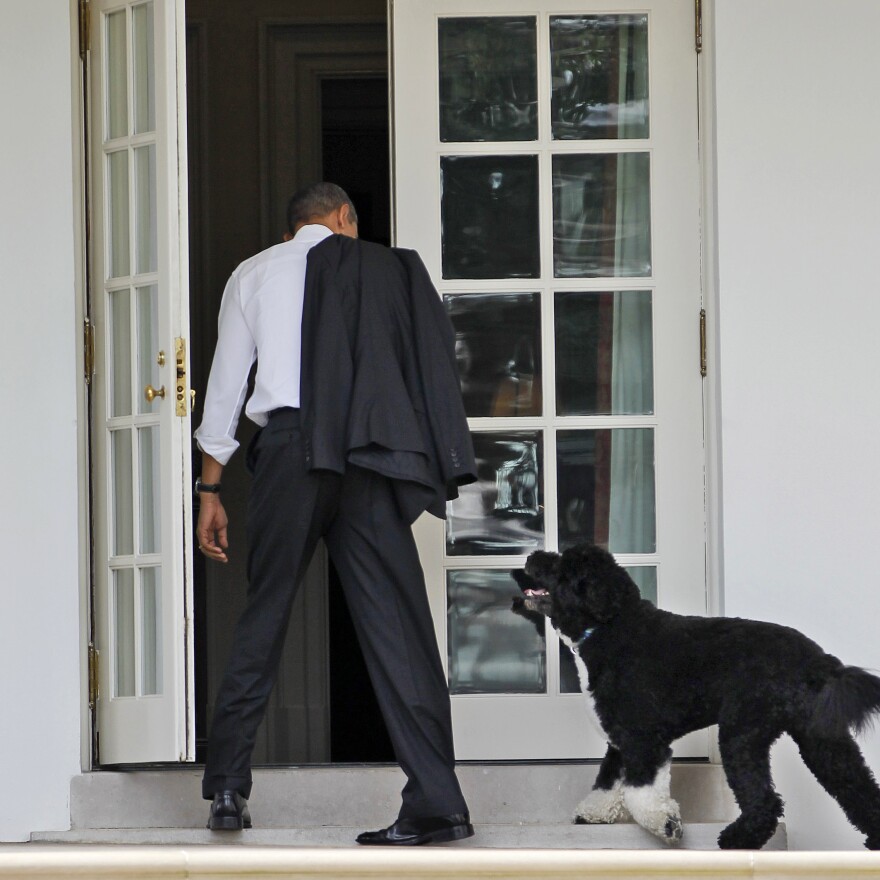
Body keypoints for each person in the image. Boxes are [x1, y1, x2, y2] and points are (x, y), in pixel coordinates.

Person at [194, 182, 477, 845]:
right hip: (369, 451)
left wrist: (210, 490)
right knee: (399, 624)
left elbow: (227, 384)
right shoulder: (385, 269)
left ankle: (229, 789)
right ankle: (439, 802)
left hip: (292, 451)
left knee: (264, 613)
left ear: (291, 228)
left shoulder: (256, 272)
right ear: (346, 219)